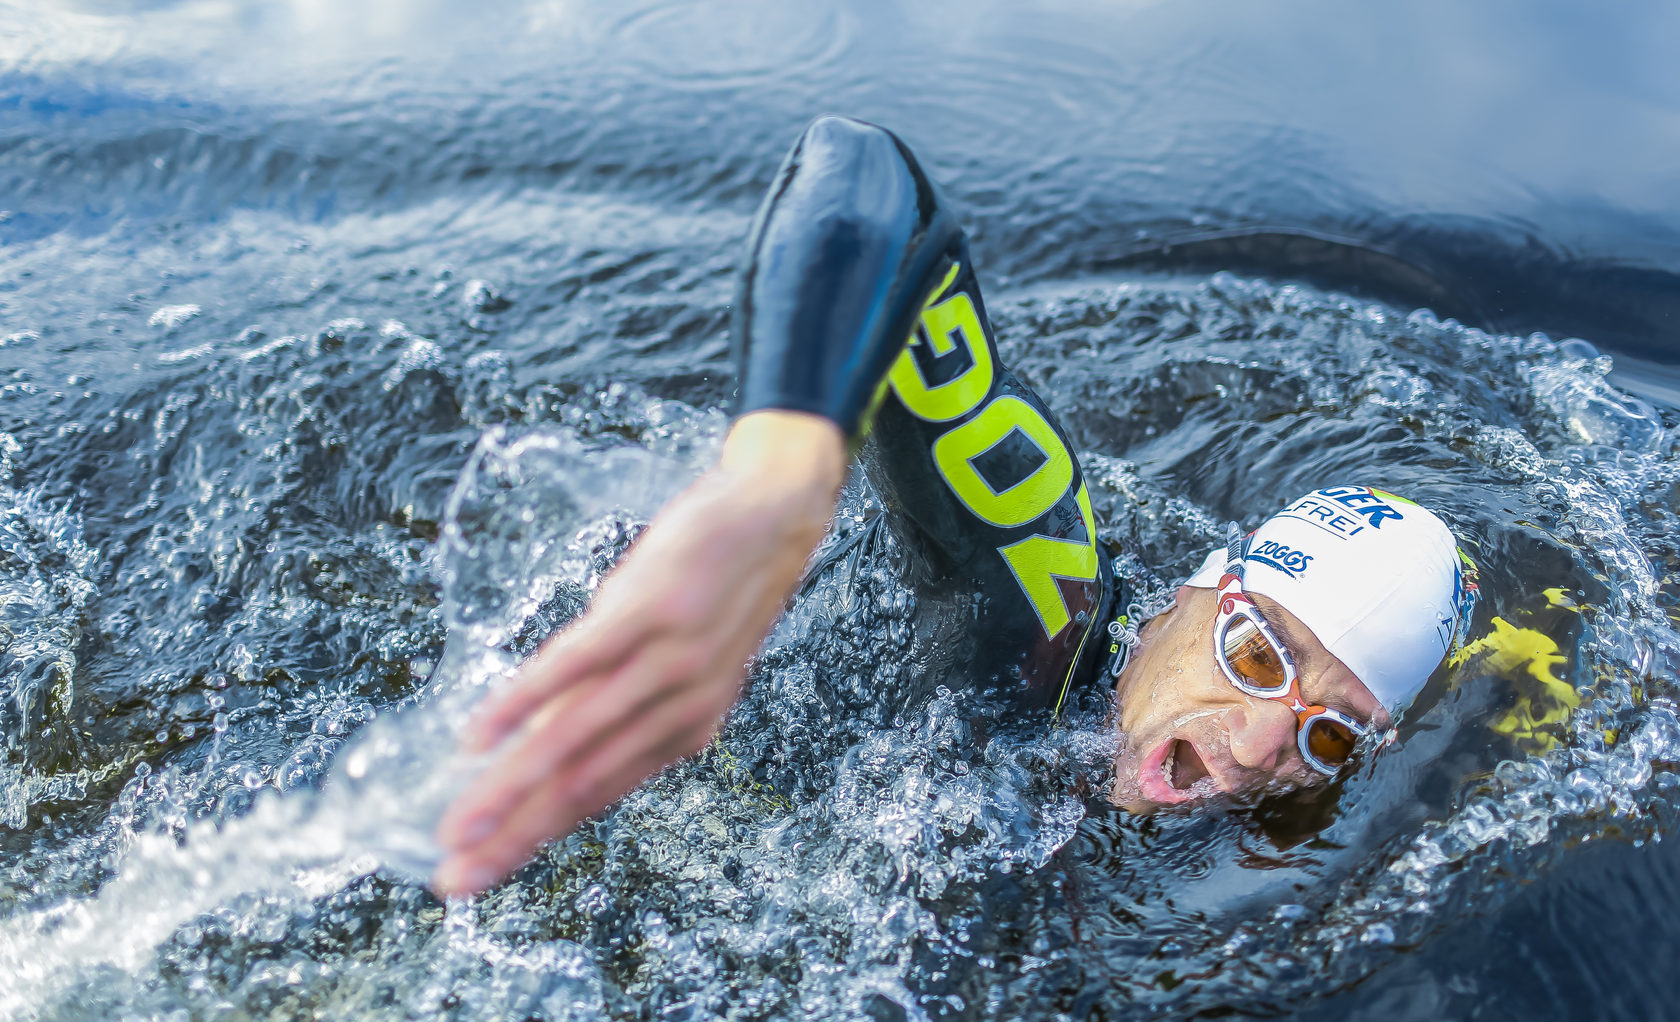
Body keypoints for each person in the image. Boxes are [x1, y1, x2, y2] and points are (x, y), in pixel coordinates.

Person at [430, 116, 1476, 897]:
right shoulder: (1039, 603)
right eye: (1257, 655)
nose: (1255, 747)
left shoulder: (1224, 861)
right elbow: (873, 187)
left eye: (1330, 738)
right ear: (1197, 593)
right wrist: (777, 482)